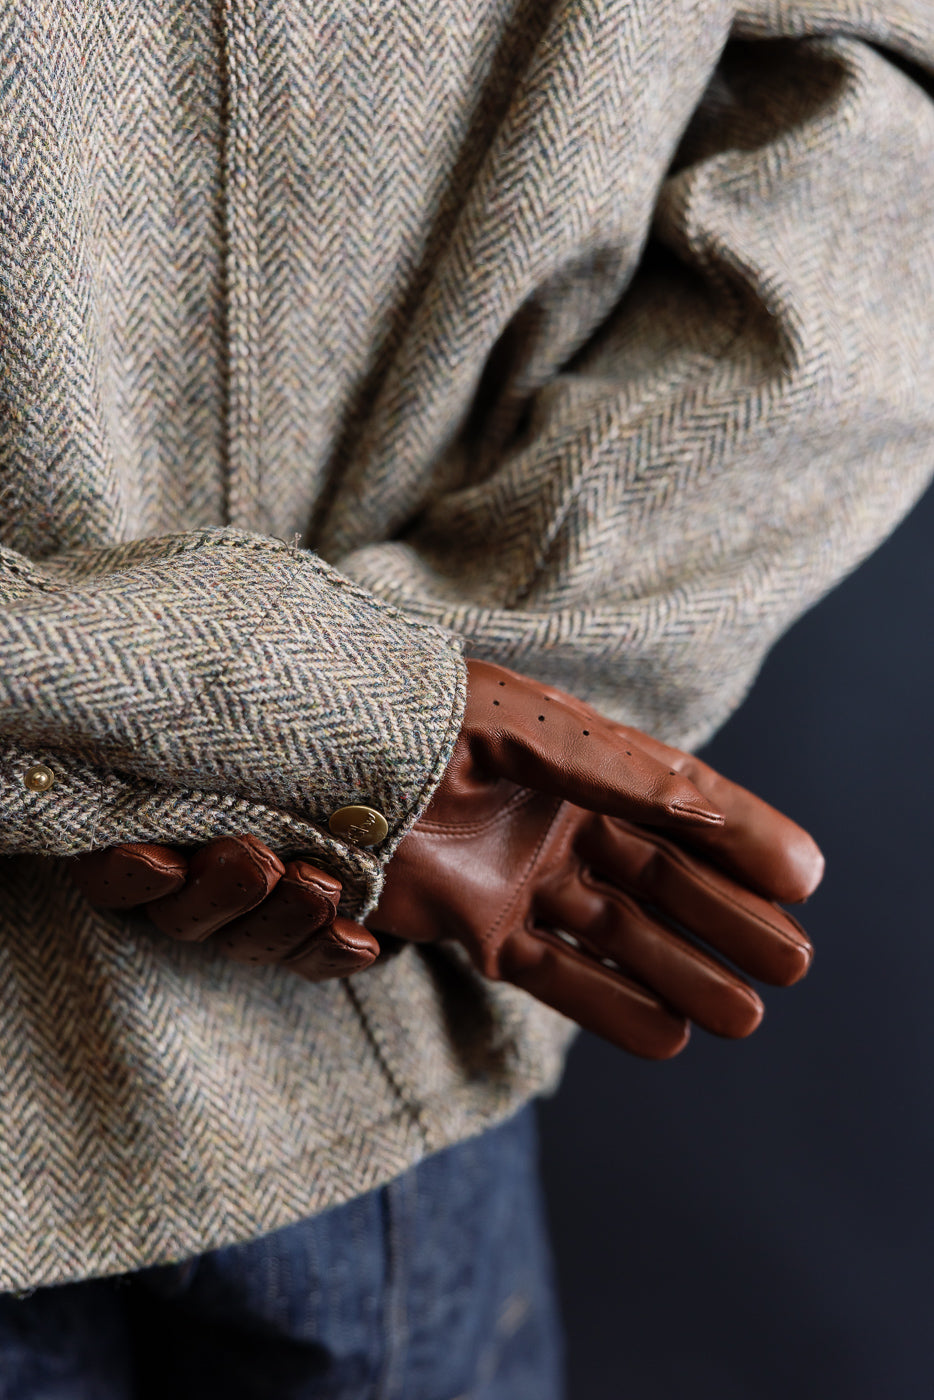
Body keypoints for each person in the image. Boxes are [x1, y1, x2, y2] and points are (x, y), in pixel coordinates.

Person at [0, 1, 931, 1394]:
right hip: (383, 1016)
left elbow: (883, 130)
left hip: (382, 1036)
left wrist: (413, 708)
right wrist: (329, 715)